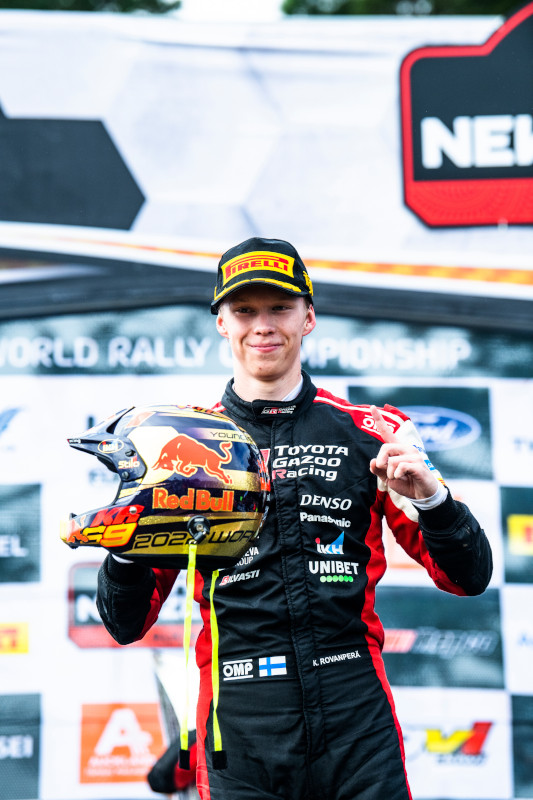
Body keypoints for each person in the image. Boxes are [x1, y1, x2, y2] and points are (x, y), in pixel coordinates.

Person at [97, 237, 493, 800]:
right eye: (245, 310)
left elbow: (468, 577)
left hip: (354, 710)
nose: (263, 326)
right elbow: (125, 623)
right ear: (222, 323)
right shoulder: (180, 446)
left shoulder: (373, 432)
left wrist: (435, 501)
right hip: (239, 719)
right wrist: (124, 544)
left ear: (308, 317)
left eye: (280, 307)